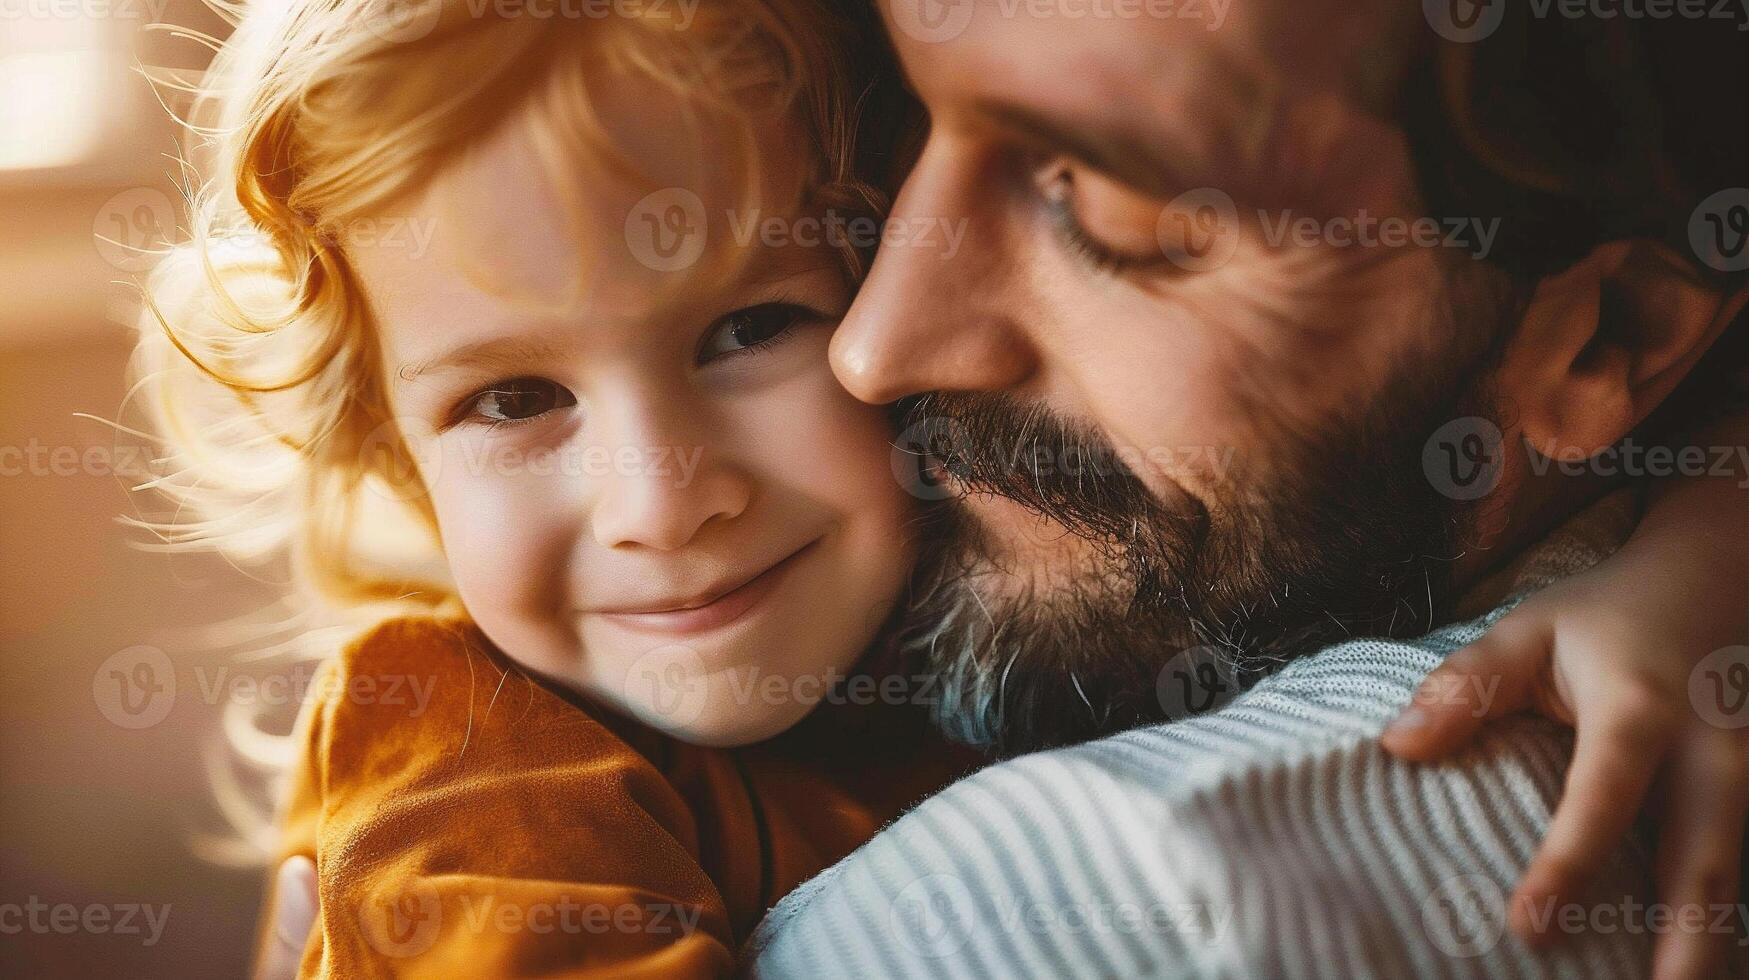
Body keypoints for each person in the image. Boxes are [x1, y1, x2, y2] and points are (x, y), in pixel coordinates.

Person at [743, 1, 1749, 978]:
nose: (870, 349)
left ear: (1606, 337)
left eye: (1107, 215)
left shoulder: (1061, 914)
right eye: (902, 114)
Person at [135, 1, 975, 975]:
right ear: (398, 456)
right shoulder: (458, 737)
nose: (660, 503)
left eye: (750, 330)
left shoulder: (1013, 638)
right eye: (516, 398)